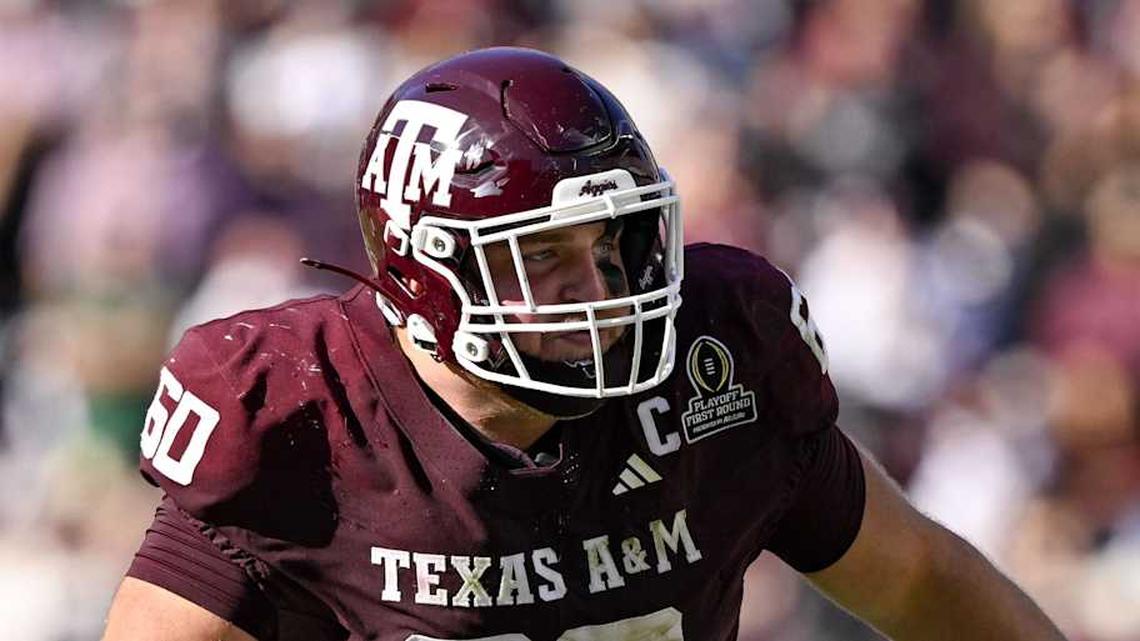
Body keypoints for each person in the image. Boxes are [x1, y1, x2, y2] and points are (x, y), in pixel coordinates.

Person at [100, 47, 1066, 641]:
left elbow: (922, 582)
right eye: (546, 256)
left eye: (612, 244)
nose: (600, 289)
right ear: (430, 267)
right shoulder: (300, 417)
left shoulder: (714, 368)